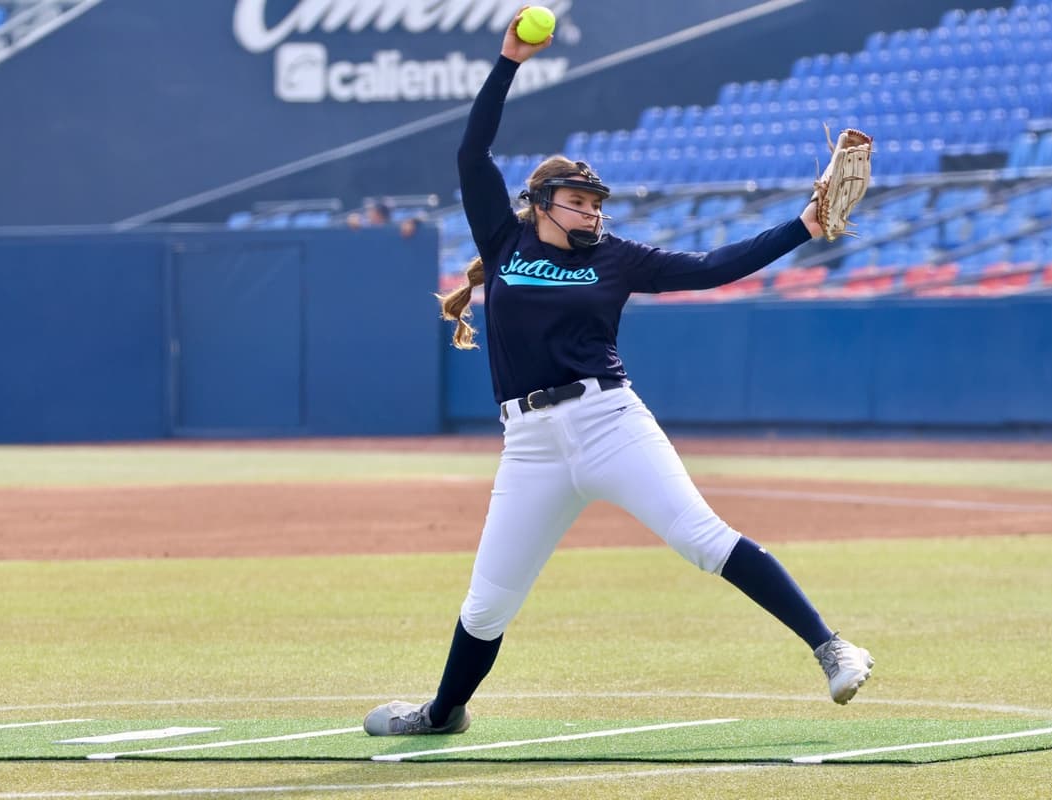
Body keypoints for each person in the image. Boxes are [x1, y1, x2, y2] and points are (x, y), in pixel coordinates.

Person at [364, 8, 873, 737]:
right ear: (539, 205)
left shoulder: (615, 257)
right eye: (577, 200)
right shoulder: (504, 241)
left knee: (702, 536)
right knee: (488, 604)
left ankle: (832, 647)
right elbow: (472, 155)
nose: (592, 212)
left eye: (597, 202)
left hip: (609, 423)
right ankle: (444, 713)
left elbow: (710, 268)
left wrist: (803, 226)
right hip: (531, 444)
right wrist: (508, 60)